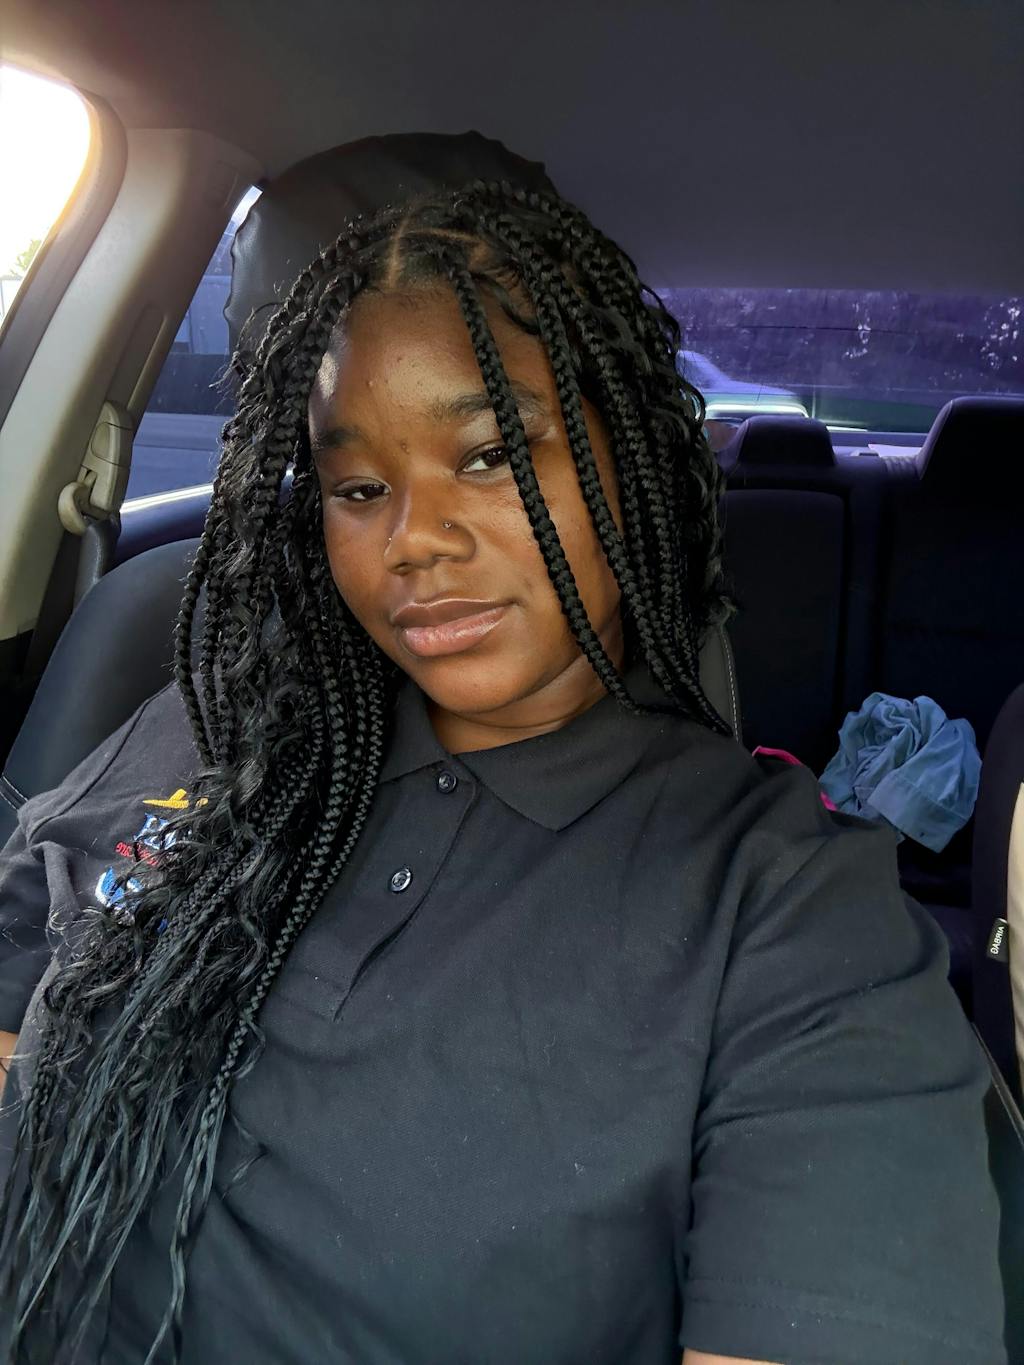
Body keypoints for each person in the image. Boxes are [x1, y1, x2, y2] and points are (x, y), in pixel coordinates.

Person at [0, 167, 1006, 1365]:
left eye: (488, 457)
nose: (412, 538)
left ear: (632, 466)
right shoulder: (210, 722)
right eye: (359, 487)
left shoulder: (790, 910)